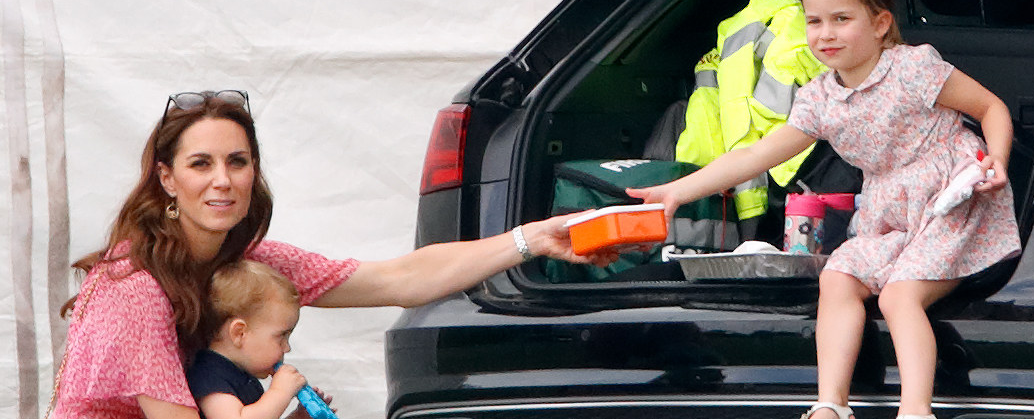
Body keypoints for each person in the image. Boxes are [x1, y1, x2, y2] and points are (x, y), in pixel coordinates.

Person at [49, 89, 614, 419]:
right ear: (166, 179)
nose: (222, 181)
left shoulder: (244, 259)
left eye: (238, 162)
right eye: (201, 164)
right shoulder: (134, 287)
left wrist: (530, 239)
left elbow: (401, 280)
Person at [628, 0, 1021, 419]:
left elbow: (991, 108)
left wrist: (995, 159)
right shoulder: (819, 98)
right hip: (889, 214)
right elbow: (755, 154)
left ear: (879, 24)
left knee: (899, 295)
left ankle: (916, 410)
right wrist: (678, 191)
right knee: (837, 276)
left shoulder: (914, 68)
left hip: (949, 205)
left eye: (841, 19)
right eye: (814, 21)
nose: (825, 34)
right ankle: (830, 404)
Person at [187, 260, 325, 419]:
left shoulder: (244, 376)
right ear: (240, 333)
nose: (287, 348)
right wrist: (280, 392)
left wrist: (297, 417)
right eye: (281, 336)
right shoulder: (208, 374)